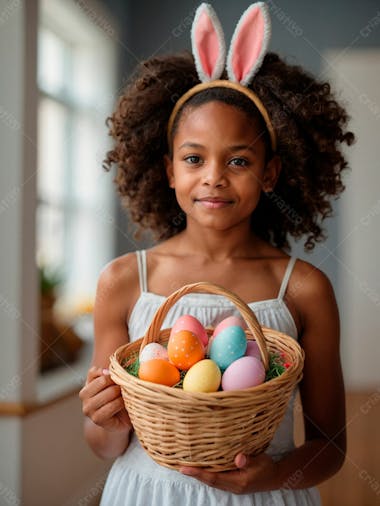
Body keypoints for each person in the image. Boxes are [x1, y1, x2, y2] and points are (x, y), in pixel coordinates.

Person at [79, 3, 354, 505]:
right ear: (167, 170)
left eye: (239, 160)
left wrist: (272, 477)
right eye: (193, 158)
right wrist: (104, 419)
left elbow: (330, 446)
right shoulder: (123, 282)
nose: (213, 177)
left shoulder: (303, 288)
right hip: (147, 492)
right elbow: (105, 446)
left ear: (269, 174)